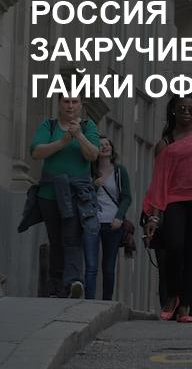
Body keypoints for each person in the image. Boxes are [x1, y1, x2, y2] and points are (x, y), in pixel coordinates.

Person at [143, 94, 192, 323]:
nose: (186, 112)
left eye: (190, 109)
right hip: (174, 201)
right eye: (182, 108)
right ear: (173, 112)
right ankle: (173, 296)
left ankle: (186, 306)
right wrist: (153, 216)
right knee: (174, 247)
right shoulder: (165, 143)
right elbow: (159, 181)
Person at [27, 96, 100, 299]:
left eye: (74, 102)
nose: (70, 106)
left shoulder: (87, 126)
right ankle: (56, 286)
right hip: (50, 193)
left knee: (72, 237)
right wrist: (63, 142)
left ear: (81, 105)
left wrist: (78, 135)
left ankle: (73, 282)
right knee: (55, 239)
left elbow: (93, 154)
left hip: (77, 194)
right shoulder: (49, 125)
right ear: (59, 104)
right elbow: (36, 151)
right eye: (66, 101)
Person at [84, 137, 131, 300]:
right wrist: (94, 185)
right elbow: (83, 194)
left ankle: (106, 302)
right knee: (91, 265)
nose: (104, 147)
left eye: (107, 144)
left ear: (111, 148)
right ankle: (88, 301)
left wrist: (119, 217)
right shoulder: (90, 170)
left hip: (113, 224)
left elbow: (127, 197)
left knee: (109, 267)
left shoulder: (119, 171)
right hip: (93, 221)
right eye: (100, 145)